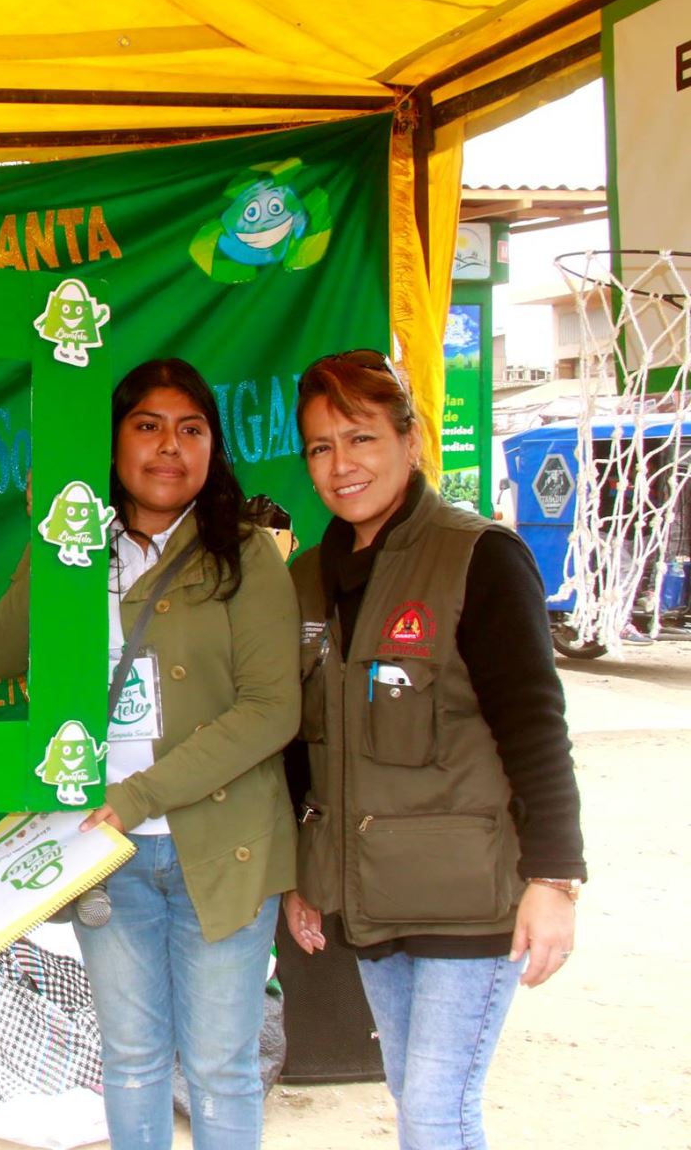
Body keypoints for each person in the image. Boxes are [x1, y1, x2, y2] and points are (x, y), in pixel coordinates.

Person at [282, 349, 585, 1150]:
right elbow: (302, 748)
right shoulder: (310, 578)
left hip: (469, 898)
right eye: (320, 446)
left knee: (435, 1110)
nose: (341, 465)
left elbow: (535, 728)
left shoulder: (478, 556)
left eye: (361, 438)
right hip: (369, 896)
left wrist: (555, 878)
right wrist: (303, 876)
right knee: (413, 1092)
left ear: (409, 439)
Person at [73, 357, 300, 1150]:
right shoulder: (81, 553)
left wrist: (138, 796)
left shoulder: (247, 554)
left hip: (222, 845)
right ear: (109, 444)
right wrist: (51, 543)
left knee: (220, 1066)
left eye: (191, 429)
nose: (170, 446)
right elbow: (0, 656)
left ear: (213, 448)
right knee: (132, 1058)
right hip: (106, 852)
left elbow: (273, 711)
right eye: (148, 426)